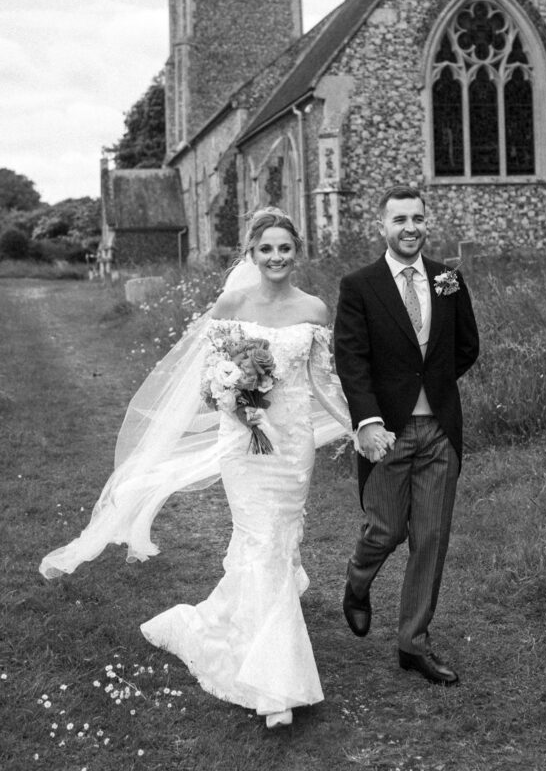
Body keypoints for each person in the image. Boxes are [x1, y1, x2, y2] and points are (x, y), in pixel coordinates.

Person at [40, 209, 350, 730]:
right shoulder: (232, 304)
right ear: (251, 254)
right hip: (243, 446)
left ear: (298, 252)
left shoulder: (314, 309)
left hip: (294, 448)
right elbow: (210, 379)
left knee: (277, 542)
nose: (276, 257)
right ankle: (276, 686)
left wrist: (360, 422)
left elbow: (323, 382)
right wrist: (236, 398)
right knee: (261, 541)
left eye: (285, 249)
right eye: (266, 249)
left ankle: (222, 623)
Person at [333, 185, 479, 686]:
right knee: (386, 529)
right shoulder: (360, 285)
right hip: (386, 433)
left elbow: (466, 347)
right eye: (400, 220)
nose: (410, 227)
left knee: (431, 537)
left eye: (418, 218)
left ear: (426, 222)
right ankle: (357, 581)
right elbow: (350, 361)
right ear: (382, 226)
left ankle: (412, 645)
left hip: (439, 429)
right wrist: (370, 419)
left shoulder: (448, 280)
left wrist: (430, 386)